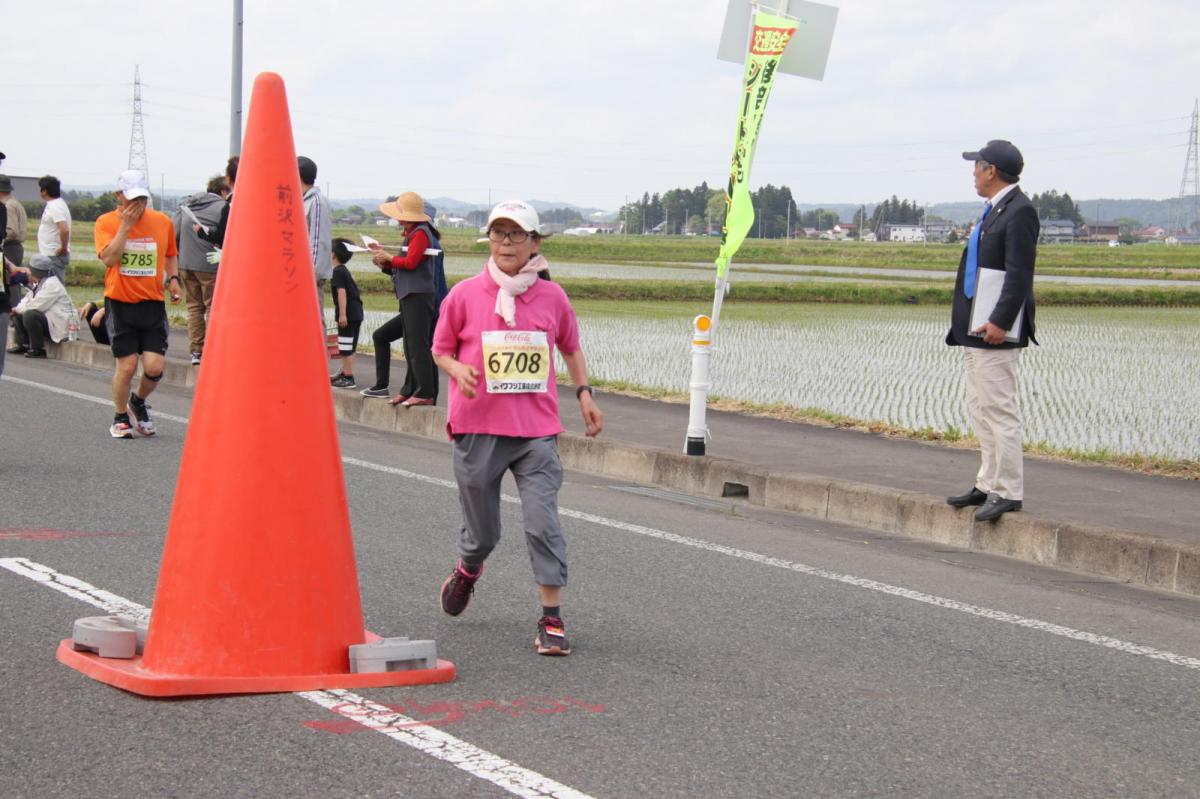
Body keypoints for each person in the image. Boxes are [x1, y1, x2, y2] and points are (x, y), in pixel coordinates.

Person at [431, 199, 603, 656]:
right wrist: (456, 370)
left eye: (516, 234)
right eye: (498, 233)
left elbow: (570, 346)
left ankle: (551, 618)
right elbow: (439, 348)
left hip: (535, 431)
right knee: (484, 534)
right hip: (477, 427)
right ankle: (469, 568)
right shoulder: (465, 294)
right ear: (489, 240)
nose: (506, 242)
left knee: (542, 522)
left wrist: (584, 393)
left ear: (535, 243)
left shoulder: (552, 297)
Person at [945, 140, 1039, 522]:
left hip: (995, 328)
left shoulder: (1020, 212)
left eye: (977, 165)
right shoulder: (995, 210)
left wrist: (1000, 321)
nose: (973, 172)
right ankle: (987, 483)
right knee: (980, 408)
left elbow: (1019, 275)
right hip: (975, 326)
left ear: (992, 171)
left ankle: (1008, 491)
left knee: (999, 410)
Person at [93, 169, 181, 439]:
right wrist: (126, 227)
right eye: (131, 198)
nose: (137, 204)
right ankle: (120, 417)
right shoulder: (106, 222)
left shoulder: (162, 221)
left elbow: (170, 253)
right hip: (120, 303)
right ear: (119, 195)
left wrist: (174, 278)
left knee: (154, 367)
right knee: (128, 366)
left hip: (152, 303)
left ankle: (138, 402)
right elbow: (109, 259)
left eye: (142, 197)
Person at [368, 191, 444, 407]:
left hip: (419, 296)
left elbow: (411, 262)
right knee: (410, 344)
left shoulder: (420, 233)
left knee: (418, 344)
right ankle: (410, 389)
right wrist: (385, 261)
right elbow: (404, 264)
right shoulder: (413, 232)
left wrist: (390, 258)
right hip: (410, 294)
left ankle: (424, 391)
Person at [174, 175, 229, 364]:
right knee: (213, 307)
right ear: (222, 191)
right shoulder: (222, 207)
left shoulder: (186, 205)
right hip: (210, 265)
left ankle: (196, 351)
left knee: (194, 308)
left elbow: (176, 234)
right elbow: (226, 236)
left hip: (185, 264)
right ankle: (214, 349)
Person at [8, 263, 75, 357]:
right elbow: (27, 299)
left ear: (36, 273)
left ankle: (38, 349)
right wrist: (16, 309)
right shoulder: (40, 283)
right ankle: (23, 344)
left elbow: (37, 305)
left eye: (29, 271)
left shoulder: (52, 285)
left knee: (30, 315)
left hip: (60, 324)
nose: (27, 274)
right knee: (19, 314)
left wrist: (18, 310)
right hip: (50, 319)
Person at [298, 156, 332, 314]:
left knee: (314, 321)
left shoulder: (316, 202)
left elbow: (318, 242)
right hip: (298, 278)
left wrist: (310, 276)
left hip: (310, 279)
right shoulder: (301, 201)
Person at [329, 238, 363, 388]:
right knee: (350, 345)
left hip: (348, 313)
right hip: (356, 313)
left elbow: (341, 292)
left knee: (344, 347)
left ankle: (348, 378)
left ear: (333, 255)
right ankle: (344, 372)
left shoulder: (337, 272)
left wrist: (342, 314)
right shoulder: (343, 270)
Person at [30, 175, 71, 285]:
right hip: (50, 254)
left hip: (53, 255)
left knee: (55, 289)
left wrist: (63, 248)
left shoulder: (55, 206)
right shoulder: (56, 204)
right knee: (48, 288)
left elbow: (64, 229)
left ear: (44, 191)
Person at [197, 156, 239, 250]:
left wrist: (200, 232)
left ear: (228, 179)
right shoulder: (255, 202)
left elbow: (221, 236)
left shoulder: (229, 206)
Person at [0, 174, 28, 268]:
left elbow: (12, 232)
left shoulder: (8, 206)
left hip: (9, 249)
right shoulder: (15, 203)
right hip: (15, 249)